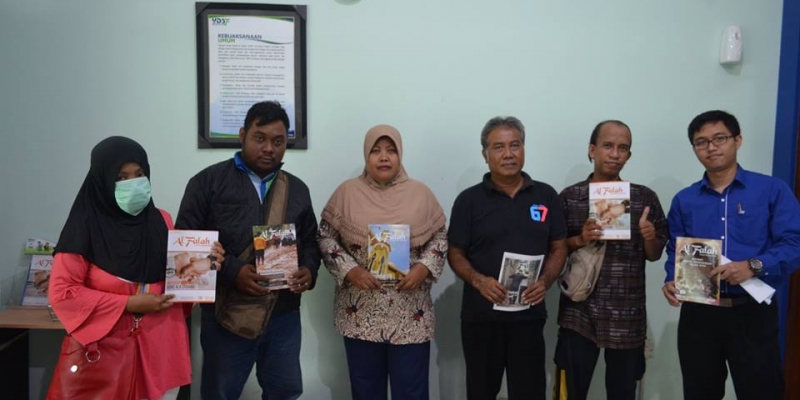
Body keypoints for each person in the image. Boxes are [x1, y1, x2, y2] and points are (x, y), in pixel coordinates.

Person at [47, 136, 223, 400]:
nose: (133, 184)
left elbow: (179, 283)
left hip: (161, 352)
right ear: (102, 180)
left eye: (139, 175)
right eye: (121, 177)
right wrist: (128, 304)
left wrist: (206, 264)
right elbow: (63, 294)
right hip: (105, 358)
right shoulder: (84, 226)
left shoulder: (162, 220)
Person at [175, 101, 321, 400]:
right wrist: (232, 271)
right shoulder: (207, 183)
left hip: (282, 314)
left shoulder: (297, 189)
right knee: (220, 393)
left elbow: (310, 241)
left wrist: (309, 270)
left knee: (285, 390)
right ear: (242, 135)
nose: (269, 148)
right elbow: (184, 248)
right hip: (226, 313)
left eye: (278, 142)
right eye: (260, 138)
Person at [662, 110, 800, 400]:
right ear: (694, 149)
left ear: (737, 140)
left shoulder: (771, 190)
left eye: (719, 138)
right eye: (701, 142)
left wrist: (754, 265)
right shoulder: (685, 200)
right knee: (699, 393)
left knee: (762, 393)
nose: (711, 147)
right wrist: (670, 280)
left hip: (752, 311)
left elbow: (793, 243)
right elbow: (675, 249)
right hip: (699, 314)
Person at [317, 125, 447, 400]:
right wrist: (350, 270)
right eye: (376, 151)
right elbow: (325, 237)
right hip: (361, 310)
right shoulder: (347, 193)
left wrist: (423, 268)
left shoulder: (420, 193)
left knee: (411, 392)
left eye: (391, 151)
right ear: (366, 155)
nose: (384, 157)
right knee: (366, 391)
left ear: (400, 155)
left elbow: (440, 237)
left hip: (410, 311)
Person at [447, 116, 568, 400]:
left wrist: (545, 281)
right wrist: (479, 281)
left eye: (515, 145)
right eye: (499, 147)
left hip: (528, 315)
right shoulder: (468, 200)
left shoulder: (546, 195)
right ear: (485, 154)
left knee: (529, 392)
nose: (509, 154)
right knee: (481, 392)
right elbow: (455, 252)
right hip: (481, 317)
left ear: (523, 148)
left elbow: (559, 246)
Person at [552, 120, 669, 400]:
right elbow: (553, 249)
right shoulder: (571, 197)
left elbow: (654, 255)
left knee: (623, 392)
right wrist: (580, 239)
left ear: (629, 155)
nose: (615, 154)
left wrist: (649, 236)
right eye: (608, 146)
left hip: (627, 314)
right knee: (571, 391)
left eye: (622, 148)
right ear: (592, 150)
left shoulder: (643, 197)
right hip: (579, 311)